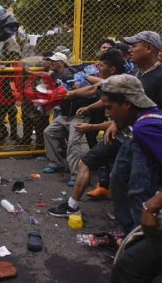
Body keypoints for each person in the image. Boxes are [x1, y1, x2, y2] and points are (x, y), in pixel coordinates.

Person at [101, 75, 162, 283]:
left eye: (109, 107)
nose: (107, 114)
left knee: (128, 269)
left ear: (127, 104)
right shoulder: (156, 116)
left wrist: (151, 206)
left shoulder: (145, 127)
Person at [108, 31, 162, 233]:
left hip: (150, 140)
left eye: (135, 45)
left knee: (139, 190)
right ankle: (128, 228)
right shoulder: (137, 74)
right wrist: (117, 122)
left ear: (149, 48)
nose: (130, 49)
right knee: (118, 181)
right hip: (132, 136)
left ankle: (141, 235)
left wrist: (144, 118)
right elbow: (126, 104)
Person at [48, 49, 126, 217]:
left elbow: (94, 91)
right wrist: (80, 100)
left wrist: (93, 126)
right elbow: (94, 90)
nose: (98, 67)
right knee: (93, 164)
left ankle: (131, 215)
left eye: (102, 65)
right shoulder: (111, 81)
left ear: (111, 69)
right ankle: (73, 205)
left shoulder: (123, 83)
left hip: (129, 134)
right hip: (117, 130)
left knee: (124, 173)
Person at [42, 52, 95, 186]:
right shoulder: (55, 74)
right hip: (65, 114)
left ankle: (77, 175)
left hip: (78, 114)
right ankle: (56, 163)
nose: (52, 63)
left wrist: (66, 95)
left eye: (55, 61)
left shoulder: (68, 74)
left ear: (62, 62)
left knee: (73, 143)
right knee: (49, 132)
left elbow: (77, 90)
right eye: (51, 61)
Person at [19, 51, 54, 149]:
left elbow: (47, 76)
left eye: (47, 59)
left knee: (41, 124)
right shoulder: (34, 65)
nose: (43, 61)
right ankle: (26, 141)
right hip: (29, 98)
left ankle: (40, 146)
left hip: (42, 101)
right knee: (26, 120)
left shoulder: (51, 70)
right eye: (43, 59)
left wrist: (31, 71)